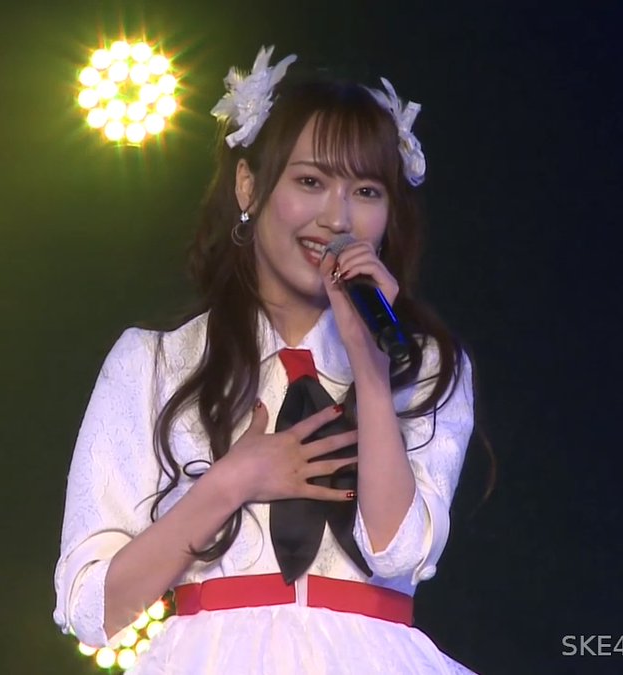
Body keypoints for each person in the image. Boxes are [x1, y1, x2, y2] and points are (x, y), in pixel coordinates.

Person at [54, 45, 478, 674]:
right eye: (310, 182)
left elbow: (399, 554)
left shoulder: (426, 364)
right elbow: (91, 607)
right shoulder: (155, 360)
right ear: (248, 185)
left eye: (365, 190)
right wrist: (231, 483)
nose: (337, 218)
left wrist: (370, 367)